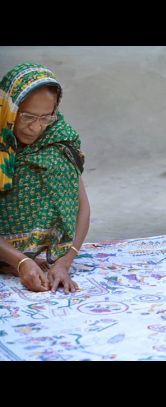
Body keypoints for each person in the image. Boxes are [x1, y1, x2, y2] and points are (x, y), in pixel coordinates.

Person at [0, 63, 90, 293]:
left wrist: (64, 262)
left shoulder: (59, 143)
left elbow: (83, 208)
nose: (35, 128)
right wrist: (20, 261)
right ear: (9, 108)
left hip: (45, 259)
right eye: (27, 117)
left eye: (45, 118)